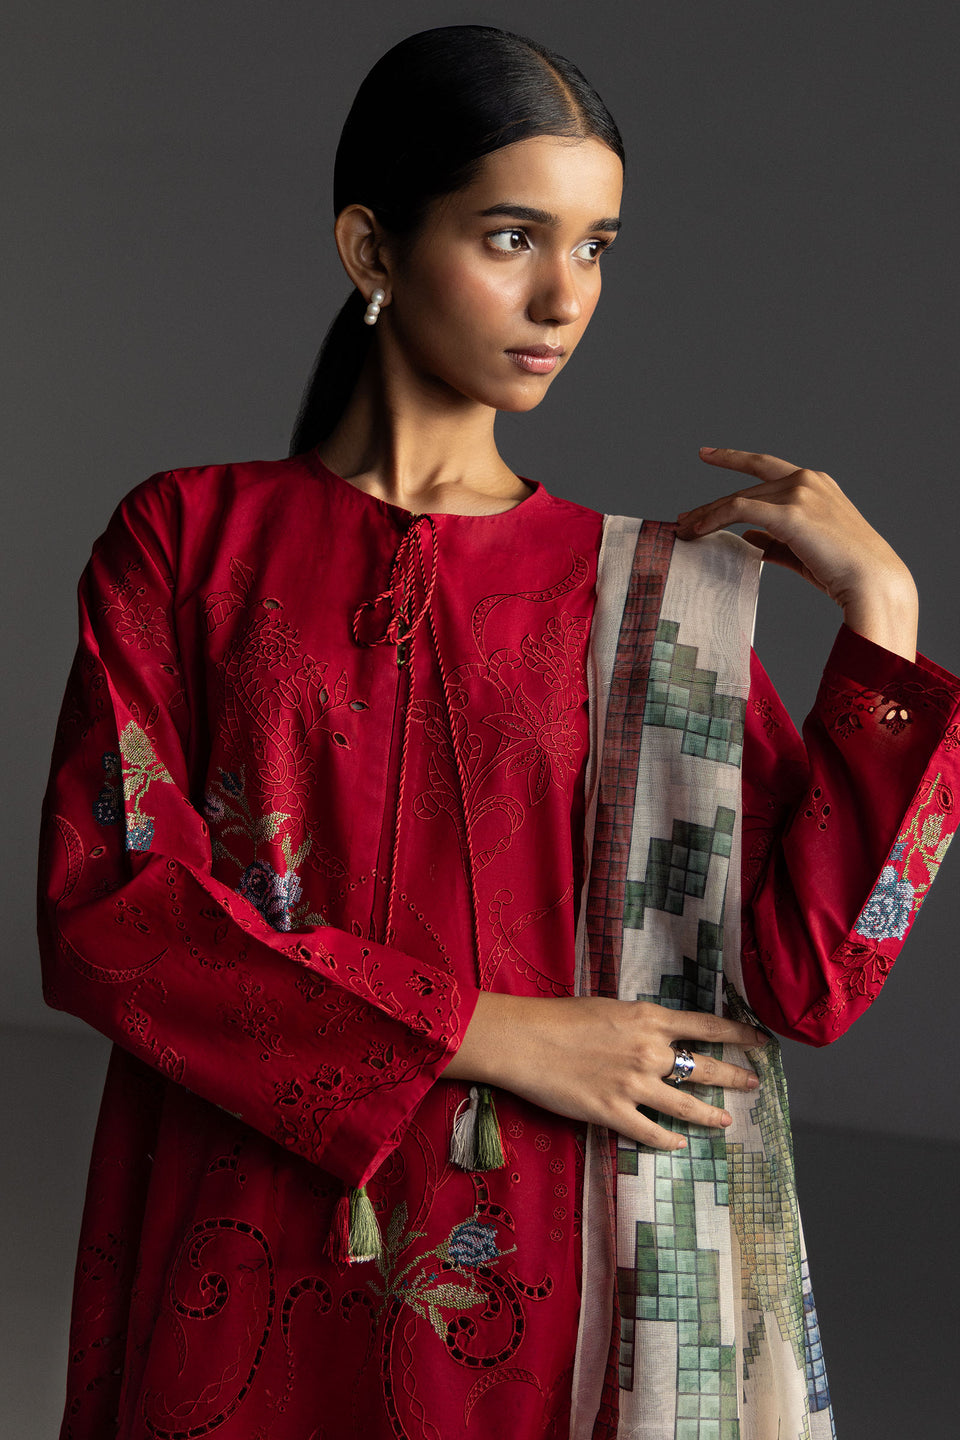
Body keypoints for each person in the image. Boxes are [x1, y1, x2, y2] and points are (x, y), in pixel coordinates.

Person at [36, 23, 960, 1440]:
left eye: (595, 248)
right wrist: (492, 1031)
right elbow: (111, 915)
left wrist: (885, 619)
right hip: (254, 1251)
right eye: (513, 236)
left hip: (563, 1277)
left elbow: (808, 979)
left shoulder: (649, 605)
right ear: (372, 247)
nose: (562, 297)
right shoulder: (188, 542)